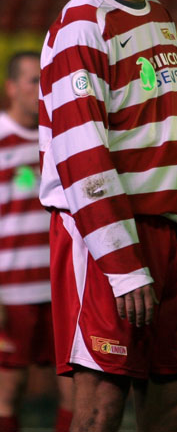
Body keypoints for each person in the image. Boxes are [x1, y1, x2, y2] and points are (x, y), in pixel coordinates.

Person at [38, 0, 177, 432]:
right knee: (99, 410)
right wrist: (122, 264)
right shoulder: (81, 26)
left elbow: (169, 143)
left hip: (167, 236)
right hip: (107, 242)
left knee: (173, 406)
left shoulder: (160, 18)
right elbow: (82, 155)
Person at [0, 51, 73, 432]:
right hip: (12, 290)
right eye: (33, 81)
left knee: (75, 390)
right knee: (8, 390)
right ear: (11, 87)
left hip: (61, 285)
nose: (41, 89)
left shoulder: (60, 137)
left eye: (46, 80)